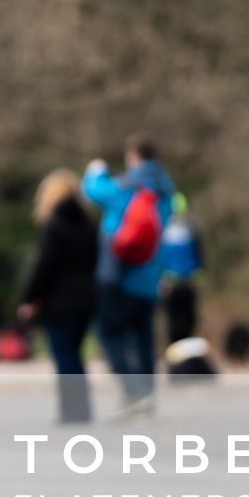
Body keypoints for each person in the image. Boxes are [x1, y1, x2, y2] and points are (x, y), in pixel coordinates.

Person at [83, 137, 176, 415]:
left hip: (119, 273)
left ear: (133, 156)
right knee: (144, 334)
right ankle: (147, 393)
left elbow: (95, 191)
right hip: (151, 275)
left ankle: (131, 390)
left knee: (109, 332)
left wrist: (95, 171)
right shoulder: (166, 189)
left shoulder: (129, 184)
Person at [18, 170, 99, 423]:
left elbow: (45, 265)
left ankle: (70, 410)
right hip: (86, 297)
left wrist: (29, 297)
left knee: (64, 356)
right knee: (75, 354)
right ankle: (82, 407)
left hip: (59, 300)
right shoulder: (87, 223)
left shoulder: (53, 225)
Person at [160, 193, 205, 345]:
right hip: (171, 283)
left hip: (188, 281)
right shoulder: (162, 230)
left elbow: (199, 254)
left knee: (189, 320)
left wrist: (199, 274)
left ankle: (186, 353)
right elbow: (161, 259)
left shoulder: (191, 229)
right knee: (175, 321)